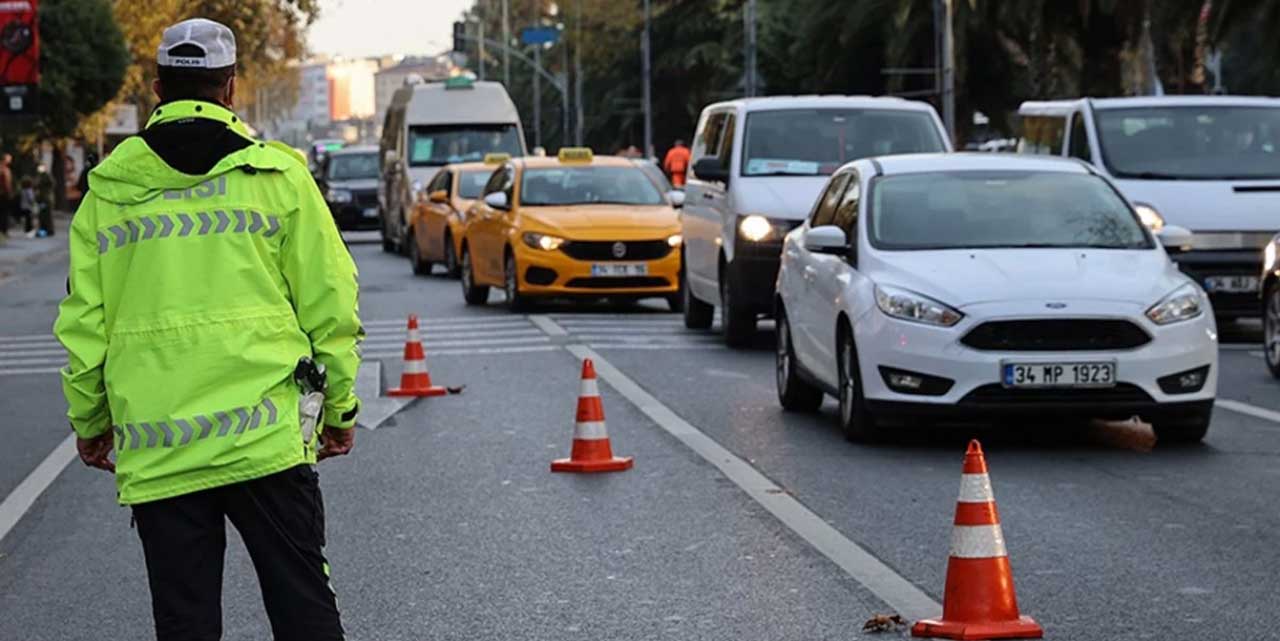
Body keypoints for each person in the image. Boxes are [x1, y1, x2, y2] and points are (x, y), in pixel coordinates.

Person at [54, 18, 362, 641]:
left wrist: (90, 424)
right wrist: (341, 408)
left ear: (157, 85)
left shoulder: (109, 192)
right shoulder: (278, 178)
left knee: (186, 622)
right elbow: (332, 305)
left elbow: (84, 326)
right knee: (304, 608)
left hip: (163, 449)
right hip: (268, 442)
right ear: (230, 88)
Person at [0, 153, 13, 236]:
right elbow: (6, 183)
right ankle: (3, 230)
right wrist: (9, 192)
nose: (10, 161)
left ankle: (3, 230)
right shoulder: (3, 169)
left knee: (3, 212)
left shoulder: (5, 169)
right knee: (4, 212)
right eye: (9, 159)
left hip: (3, 193)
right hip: (3, 194)